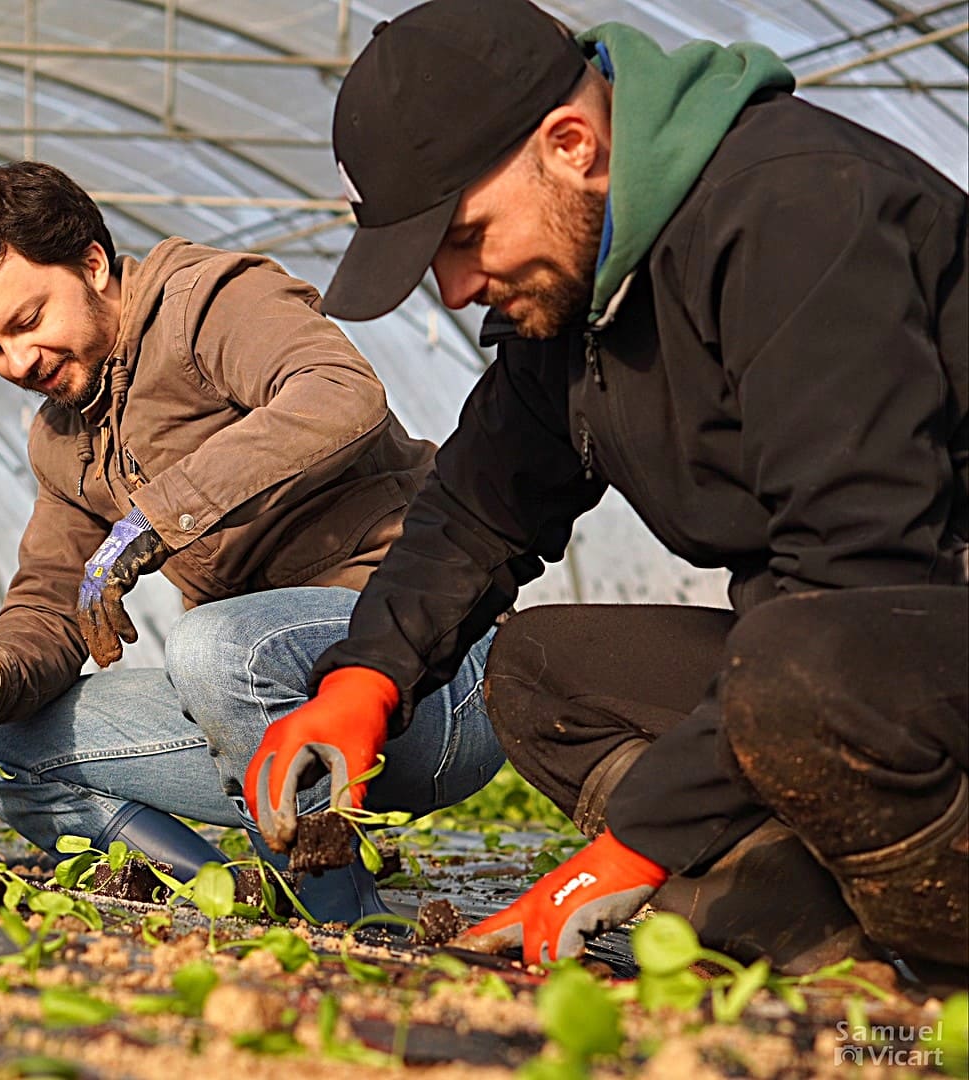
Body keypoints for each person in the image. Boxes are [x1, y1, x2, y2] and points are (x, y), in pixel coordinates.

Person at [294, 0, 965, 976]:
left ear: (570, 145)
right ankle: (819, 935)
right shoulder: (582, 293)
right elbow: (475, 512)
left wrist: (640, 838)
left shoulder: (799, 209)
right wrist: (366, 677)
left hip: (908, 637)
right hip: (854, 661)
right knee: (537, 669)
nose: (454, 288)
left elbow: (860, 575)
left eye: (465, 236)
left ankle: (941, 950)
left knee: (797, 663)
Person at [0, 161, 506, 921]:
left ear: (92, 263)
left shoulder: (208, 305)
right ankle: (239, 891)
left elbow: (338, 391)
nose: (17, 364)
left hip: (426, 674)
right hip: (266, 719)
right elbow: (51, 597)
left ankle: (342, 909)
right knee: (2, 748)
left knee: (214, 645)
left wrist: (162, 514)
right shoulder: (63, 439)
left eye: (26, 323)